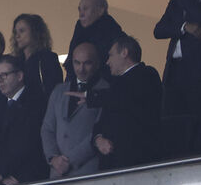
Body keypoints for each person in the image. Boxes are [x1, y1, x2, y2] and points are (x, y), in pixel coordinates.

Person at [67, 36, 162, 170]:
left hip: (137, 162)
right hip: (112, 164)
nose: (107, 62)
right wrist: (98, 139)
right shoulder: (116, 85)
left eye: (111, 55)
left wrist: (91, 96)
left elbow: (125, 97)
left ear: (124, 53)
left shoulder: (147, 74)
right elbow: (102, 121)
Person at [41, 43, 109, 179]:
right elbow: (47, 128)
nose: (81, 69)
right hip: (57, 172)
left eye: (87, 63)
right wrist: (53, 158)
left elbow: (99, 130)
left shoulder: (106, 90)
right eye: (77, 63)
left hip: (89, 171)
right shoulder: (59, 90)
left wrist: (69, 160)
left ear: (97, 63)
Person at [0, 55, 48, 185]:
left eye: (5, 75)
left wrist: (4, 171)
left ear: (19, 76)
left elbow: (31, 143)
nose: (0, 81)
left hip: (25, 180)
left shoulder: (36, 103)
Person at [66, 0, 127, 80]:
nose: (81, 14)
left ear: (100, 10)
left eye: (86, 9)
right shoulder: (79, 31)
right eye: (80, 9)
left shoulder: (115, 35)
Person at [11, 13, 63, 98]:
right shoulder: (16, 62)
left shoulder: (47, 58)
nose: (17, 36)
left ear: (35, 32)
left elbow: (54, 91)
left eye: (22, 31)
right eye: (15, 32)